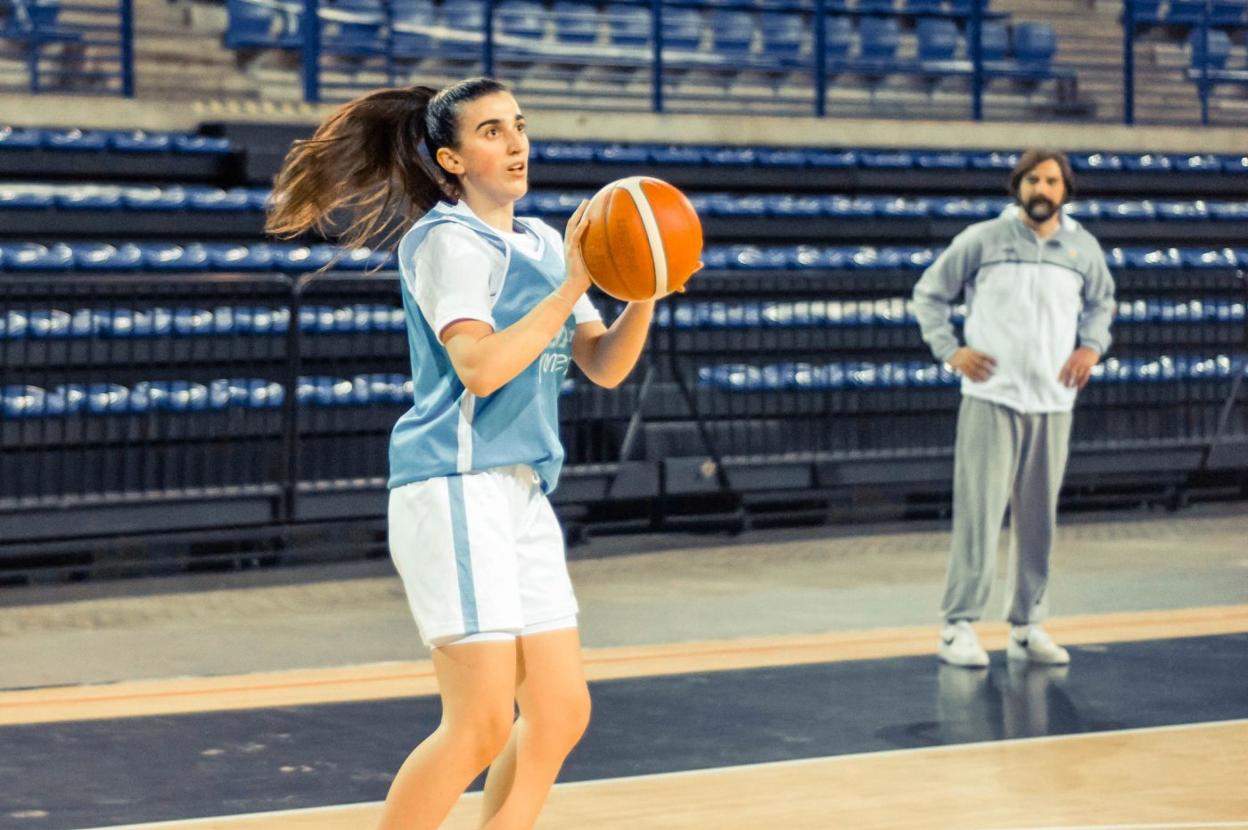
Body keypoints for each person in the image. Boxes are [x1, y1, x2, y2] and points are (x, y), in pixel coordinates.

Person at [266, 78, 656, 829]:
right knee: (478, 722)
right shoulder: (444, 240)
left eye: (519, 126)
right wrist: (577, 280)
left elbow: (602, 363)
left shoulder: (545, 240)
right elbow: (478, 366)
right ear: (451, 157)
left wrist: (645, 288)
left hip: (520, 489)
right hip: (455, 483)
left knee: (561, 711)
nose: (515, 144)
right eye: (491, 132)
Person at [911, 148, 1116, 669]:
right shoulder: (984, 239)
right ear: (1017, 186)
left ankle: (1027, 624)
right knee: (979, 515)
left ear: (1065, 190)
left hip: (1053, 402)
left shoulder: (1082, 248)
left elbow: (1102, 303)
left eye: (1051, 180)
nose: (1041, 189)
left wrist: (1091, 347)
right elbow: (929, 294)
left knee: (1038, 519)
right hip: (992, 397)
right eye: (1032, 180)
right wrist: (950, 350)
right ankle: (957, 625)